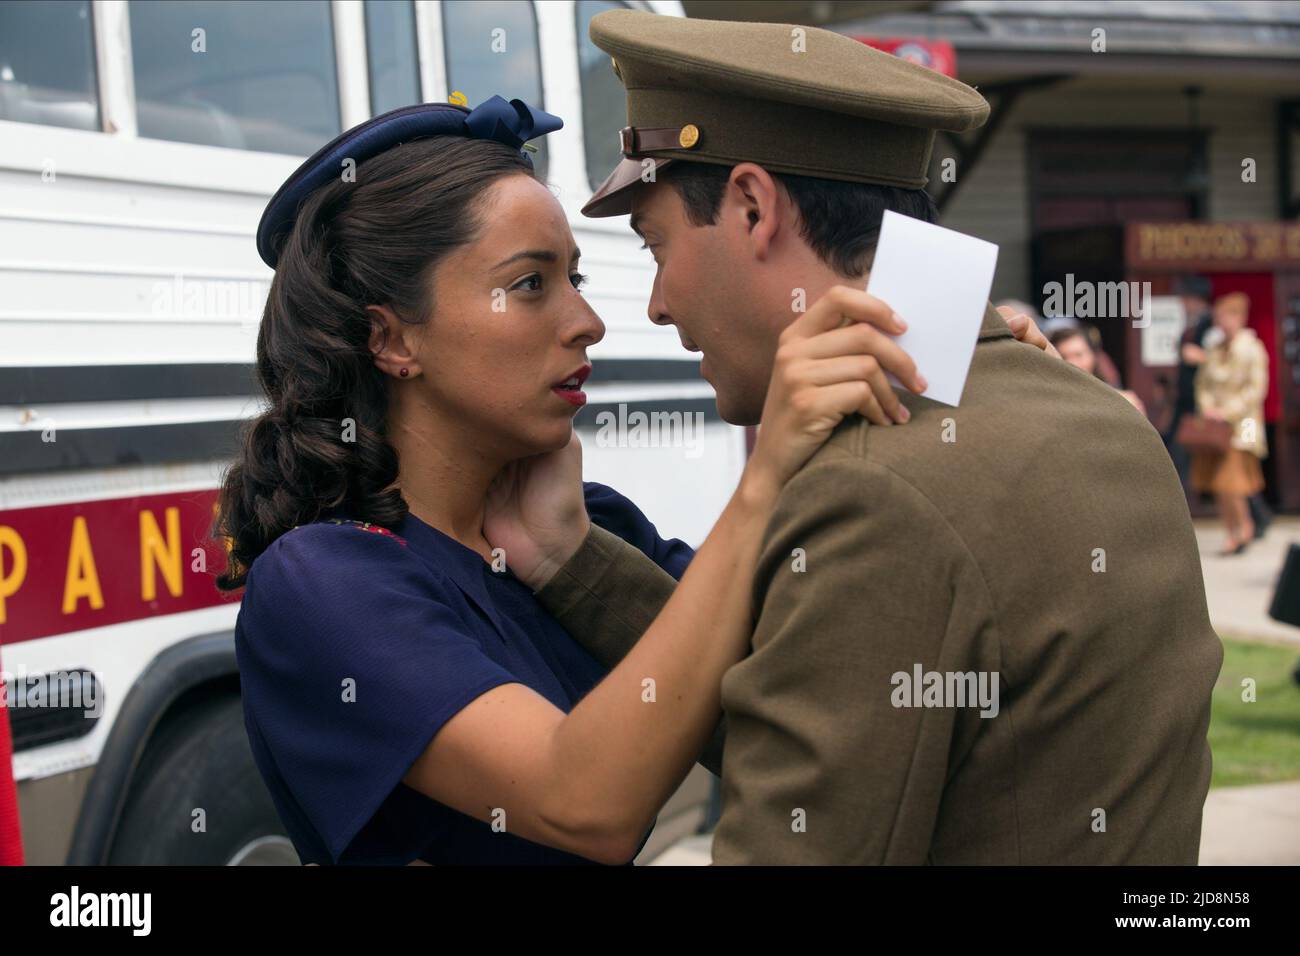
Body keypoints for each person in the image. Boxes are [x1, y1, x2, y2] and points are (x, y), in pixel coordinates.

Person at [512, 9, 1223, 864]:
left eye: (656, 245)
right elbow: (841, 730)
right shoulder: (1102, 417)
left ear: (749, 208)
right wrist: (575, 564)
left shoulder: (873, 487)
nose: (657, 303)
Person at [223, 94, 963, 865]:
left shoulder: (584, 524)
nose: (590, 321)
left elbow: (806, 681)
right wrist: (765, 474)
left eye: (574, 278)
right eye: (532, 285)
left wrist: (985, 370)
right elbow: (582, 804)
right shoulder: (323, 581)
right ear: (391, 337)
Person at [1191, 291, 1270, 556]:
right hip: (1216, 426)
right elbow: (1202, 384)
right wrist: (1209, 408)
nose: (1222, 322)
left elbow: (1255, 391)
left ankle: (1244, 527)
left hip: (1245, 423)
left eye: (1226, 316)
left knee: (1234, 478)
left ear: (1239, 318)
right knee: (1217, 480)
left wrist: (1228, 411)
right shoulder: (1214, 349)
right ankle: (1234, 529)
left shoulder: (1252, 349)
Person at [1049, 324, 1146, 415]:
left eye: (1078, 355)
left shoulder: (1123, 401)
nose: (1072, 363)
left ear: (1093, 356)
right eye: (1064, 356)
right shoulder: (1049, 402)